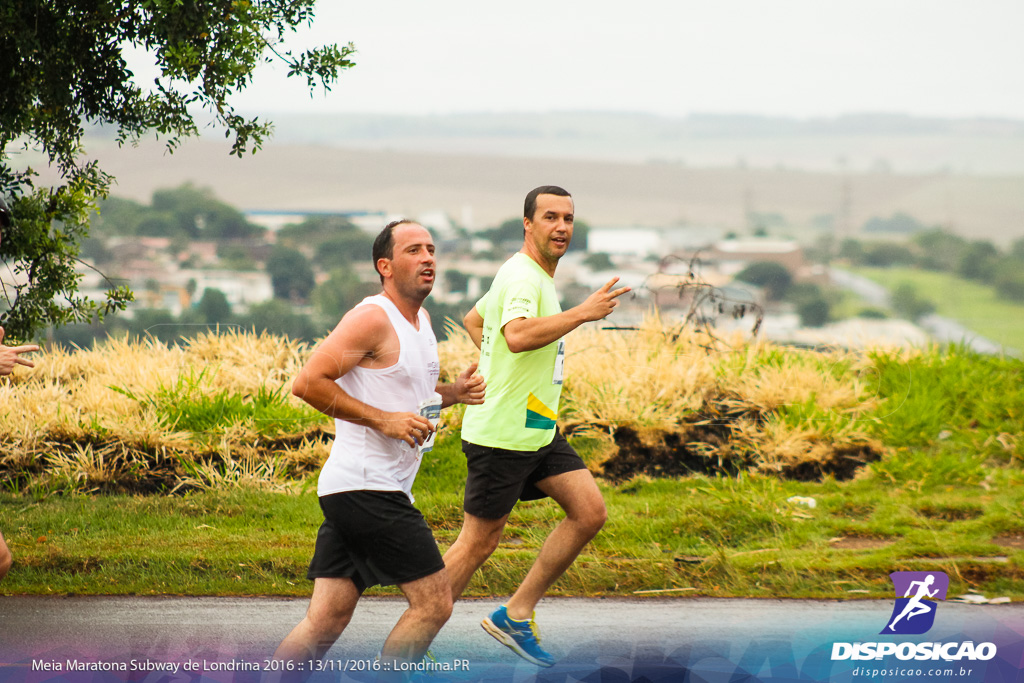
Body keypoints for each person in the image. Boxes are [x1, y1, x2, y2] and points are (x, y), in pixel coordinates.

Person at [273, 220, 486, 676]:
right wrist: (383, 421)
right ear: (384, 266)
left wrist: (453, 392)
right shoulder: (371, 318)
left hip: (360, 490)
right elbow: (308, 382)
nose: (428, 258)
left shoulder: (420, 321)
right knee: (433, 603)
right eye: (414, 250)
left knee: (324, 621)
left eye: (431, 249)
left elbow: (409, 393)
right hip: (369, 489)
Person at [443, 186, 630, 667]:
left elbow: (474, 319)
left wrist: (499, 370)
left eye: (568, 217)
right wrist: (582, 314)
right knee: (476, 544)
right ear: (528, 224)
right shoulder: (524, 276)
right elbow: (518, 334)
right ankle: (409, 640)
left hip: (537, 425)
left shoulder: (529, 276)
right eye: (550, 217)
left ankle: (515, 614)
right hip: (502, 434)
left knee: (588, 512)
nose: (561, 226)